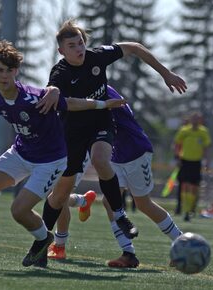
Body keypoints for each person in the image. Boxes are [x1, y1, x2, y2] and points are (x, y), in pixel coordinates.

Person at [0, 40, 125, 267]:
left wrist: (102, 105)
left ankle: (44, 238)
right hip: (21, 153)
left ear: (16, 72)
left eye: (9, 70)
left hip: (51, 160)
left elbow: (71, 103)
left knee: (19, 211)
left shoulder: (34, 97)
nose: (4, 75)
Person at [37, 19, 187, 259]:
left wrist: (166, 73)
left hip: (131, 150)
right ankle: (54, 244)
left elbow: (135, 48)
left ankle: (181, 242)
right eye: (72, 45)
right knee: (62, 194)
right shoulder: (61, 73)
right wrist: (52, 92)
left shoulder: (101, 68)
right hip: (86, 141)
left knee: (141, 201)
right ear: (61, 51)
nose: (79, 49)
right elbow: (56, 93)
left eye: (81, 43)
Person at [48, 86, 183, 268]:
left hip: (136, 150)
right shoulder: (89, 89)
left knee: (143, 203)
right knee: (110, 202)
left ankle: (181, 243)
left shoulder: (100, 89)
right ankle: (128, 254)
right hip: (116, 155)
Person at [174, 112, 211, 221]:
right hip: (185, 161)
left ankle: (190, 210)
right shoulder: (184, 130)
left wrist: (207, 161)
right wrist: (177, 158)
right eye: (193, 118)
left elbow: (207, 147)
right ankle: (184, 210)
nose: (195, 120)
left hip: (196, 162)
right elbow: (177, 144)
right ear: (190, 120)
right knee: (184, 185)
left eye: (197, 118)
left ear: (200, 120)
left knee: (194, 187)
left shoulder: (203, 132)